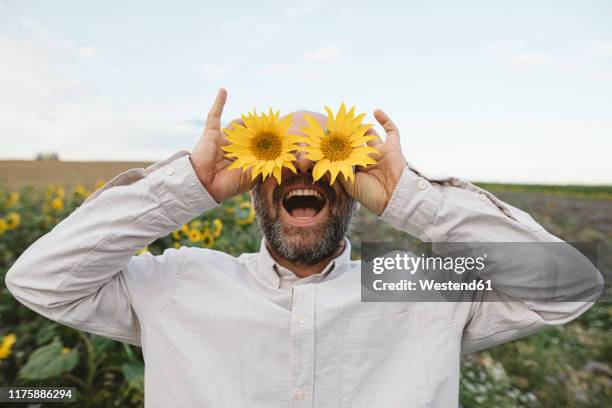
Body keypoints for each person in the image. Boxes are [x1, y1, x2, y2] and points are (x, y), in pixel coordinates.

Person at [5, 89, 602, 407]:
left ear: (353, 183)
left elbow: (567, 285)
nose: (303, 172)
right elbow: (40, 280)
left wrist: (409, 197)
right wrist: (190, 185)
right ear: (251, 185)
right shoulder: (183, 283)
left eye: (326, 159)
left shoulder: (410, 282)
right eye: (279, 160)